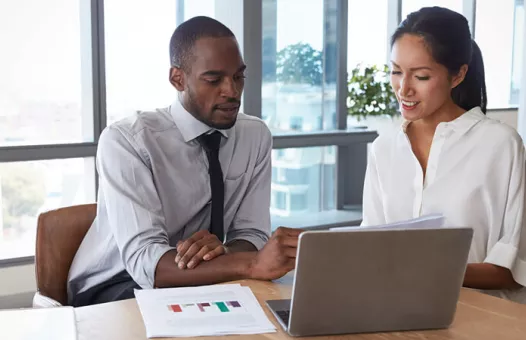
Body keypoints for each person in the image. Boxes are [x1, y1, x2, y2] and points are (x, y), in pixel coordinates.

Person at [67, 16, 301, 307]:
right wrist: (250, 263)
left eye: (239, 77)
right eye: (214, 80)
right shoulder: (127, 140)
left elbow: (250, 233)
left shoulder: (254, 136)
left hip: (203, 278)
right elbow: (145, 263)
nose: (232, 90)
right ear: (178, 78)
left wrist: (225, 252)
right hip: (115, 286)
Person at [361, 7, 526, 303]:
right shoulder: (383, 148)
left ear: (458, 75)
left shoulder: (500, 145)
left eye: (421, 76)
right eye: (396, 71)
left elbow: (512, 269)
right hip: (394, 311)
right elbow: (371, 246)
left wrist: (425, 269)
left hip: (483, 320)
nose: (404, 89)